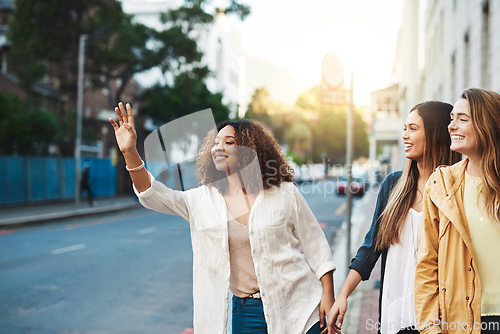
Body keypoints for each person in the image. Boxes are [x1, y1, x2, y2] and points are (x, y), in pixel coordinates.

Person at [109, 102, 336, 334]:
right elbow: (153, 195)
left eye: (229, 142)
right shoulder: (202, 200)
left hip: (299, 304)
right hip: (246, 314)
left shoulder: (284, 193)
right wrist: (130, 153)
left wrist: (328, 296)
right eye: (216, 142)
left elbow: (316, 244)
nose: (219, 147)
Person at [327, 101, 462, 334]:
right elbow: (370, 247)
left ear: (435, 134)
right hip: (393, 317)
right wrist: (343, 296)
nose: (405, 136)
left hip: (437, 320)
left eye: (413, 129)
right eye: (404, 128)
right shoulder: (393, 185)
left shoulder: (457, 189)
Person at [414, 88, 500, 334]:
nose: (452, 126)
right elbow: (427, 265)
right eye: (452, 118)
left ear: (488, 125)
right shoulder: (441, 184)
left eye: (463, 119)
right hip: (463, 322)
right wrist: (430, 328)